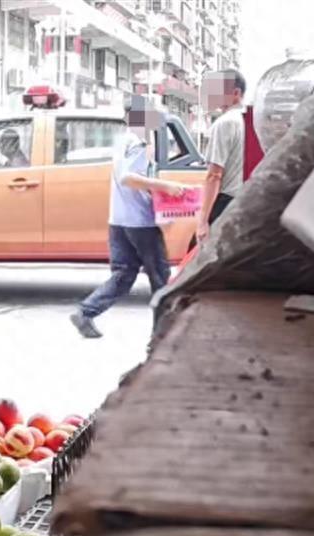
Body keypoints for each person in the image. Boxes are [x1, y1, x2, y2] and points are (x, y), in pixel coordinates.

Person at [70, 98, 185, 339]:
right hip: (139, 222)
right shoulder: (138, 143)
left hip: (119, 220)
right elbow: (127, 178)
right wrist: (165, 186)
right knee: (160, 277)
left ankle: (86, 312)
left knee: (123, 274)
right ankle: (163, 332)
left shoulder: (122, 141)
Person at [195, 69, 246, 244]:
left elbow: (214, 175)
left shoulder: (224, 123)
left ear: (236, 93)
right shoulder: (247, 121)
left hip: (224, 203)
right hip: (242, 202)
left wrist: (202, 221)